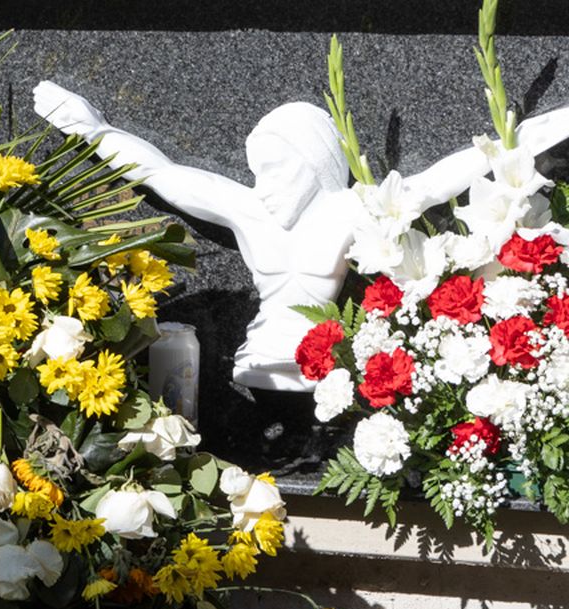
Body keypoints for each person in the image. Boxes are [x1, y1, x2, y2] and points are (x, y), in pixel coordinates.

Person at [32, 80, 569, 391]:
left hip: (319, 366)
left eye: (277, 169)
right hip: (253, 359)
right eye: (257, 169)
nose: (264, 184)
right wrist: (91, 128)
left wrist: (524, 139)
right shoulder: (249, 209)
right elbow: (161, 173)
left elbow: (431, 185)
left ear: (315, 165)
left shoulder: (350, 210)